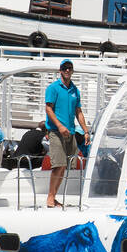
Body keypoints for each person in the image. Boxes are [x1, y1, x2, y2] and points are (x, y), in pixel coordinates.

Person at [44, 59, 91, 208]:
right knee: (58, 165)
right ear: (60, 70)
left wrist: (86, 131)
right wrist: (59, 125)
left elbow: (78, 111)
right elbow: (48, 109)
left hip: (70, 133)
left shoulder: (75, 90)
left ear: (72, 71)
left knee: (64, 167)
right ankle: (50, 198)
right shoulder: (53, 88)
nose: (67, 70)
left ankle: (54, 197)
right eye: (65, 68)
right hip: (56, 132)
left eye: (70, 68)